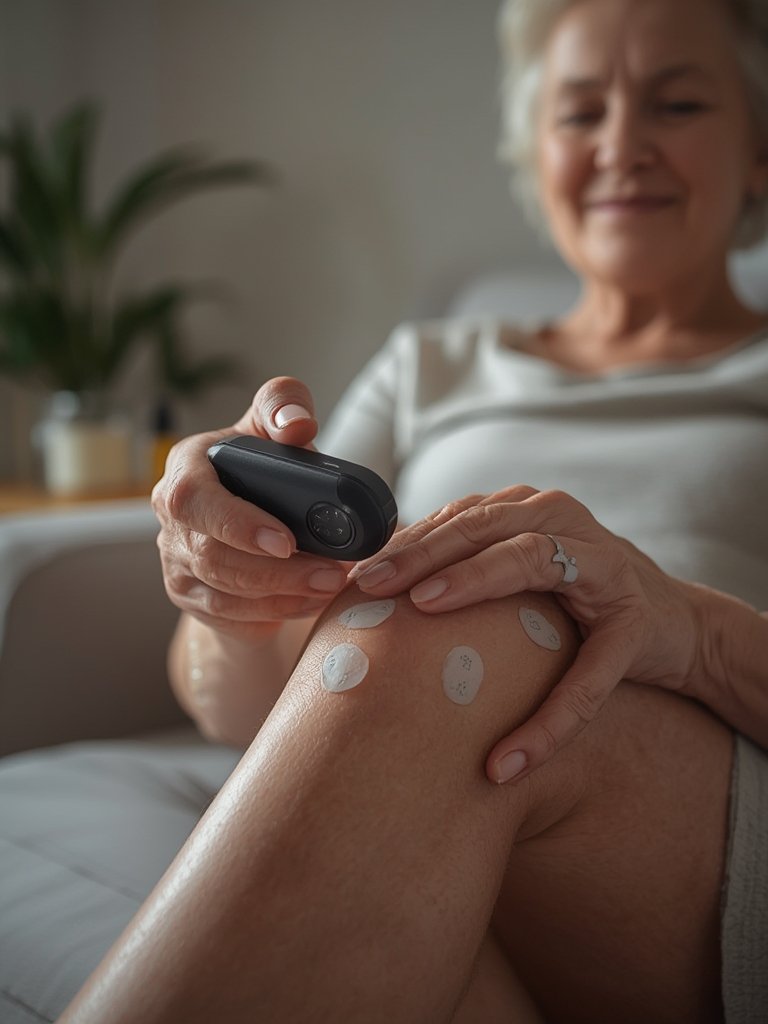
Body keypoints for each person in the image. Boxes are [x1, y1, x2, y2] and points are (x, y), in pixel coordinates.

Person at [60, 0, 768, 1020]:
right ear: (537, 154)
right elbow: (244, 707)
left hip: (691, 822)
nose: (621, 146)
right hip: (424, 812)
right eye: (580, 113)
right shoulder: (429, 363)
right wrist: (233, 594)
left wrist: (688, 628)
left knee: (460, 622)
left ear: (759, 146)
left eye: (679, 103)